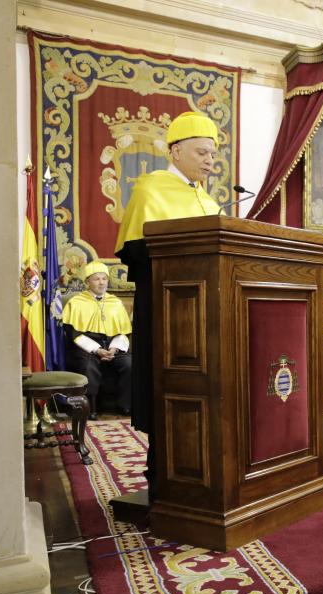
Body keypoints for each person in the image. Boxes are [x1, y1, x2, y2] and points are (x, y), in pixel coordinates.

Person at [115, 110, 221, 496]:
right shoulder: (151, 188)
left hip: (204, 317)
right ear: (175, 152)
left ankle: (200, 471)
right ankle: (161, 475)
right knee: (167, 389)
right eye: (202, 153)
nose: (210, 161)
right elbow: (134, 252)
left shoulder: (208, 201)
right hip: (166, 312)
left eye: (213, 155)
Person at [61, 261, 132, 419]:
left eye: (104, 279)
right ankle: (90, 409)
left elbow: (124, 331)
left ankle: (125, 405)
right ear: (87, 282)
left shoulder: (115, 302)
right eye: (96, 279)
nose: (101, 282)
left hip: (113, 345)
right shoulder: (77, 302)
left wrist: (114, 348)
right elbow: (74, 333)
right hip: (86, 347)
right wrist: (97, 350)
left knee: (129, 364)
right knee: (89, 366)